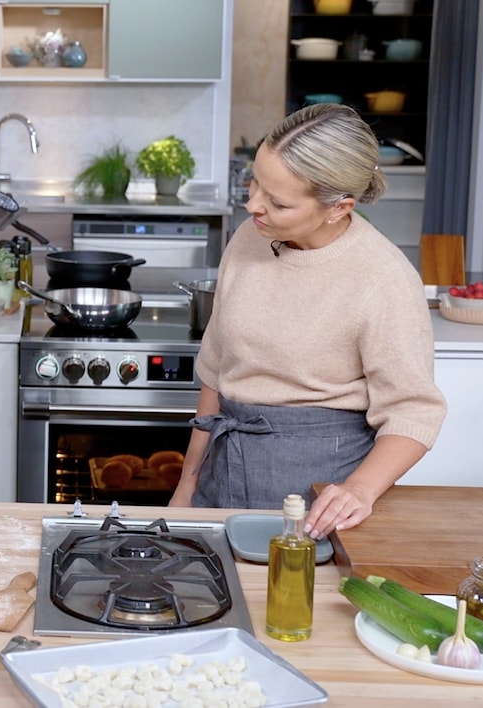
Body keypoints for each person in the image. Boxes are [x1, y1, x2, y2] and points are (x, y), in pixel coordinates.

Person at [168, 103, 446, 538]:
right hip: (221, 479)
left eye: (277, 202)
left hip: (316, 500)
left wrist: (359, 489)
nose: (252, 205)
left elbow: (414, 411)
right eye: (254, 182)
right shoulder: (249, 239)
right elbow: (215, 371)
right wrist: (187, 487)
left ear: (338, 207)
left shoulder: (383, 277)